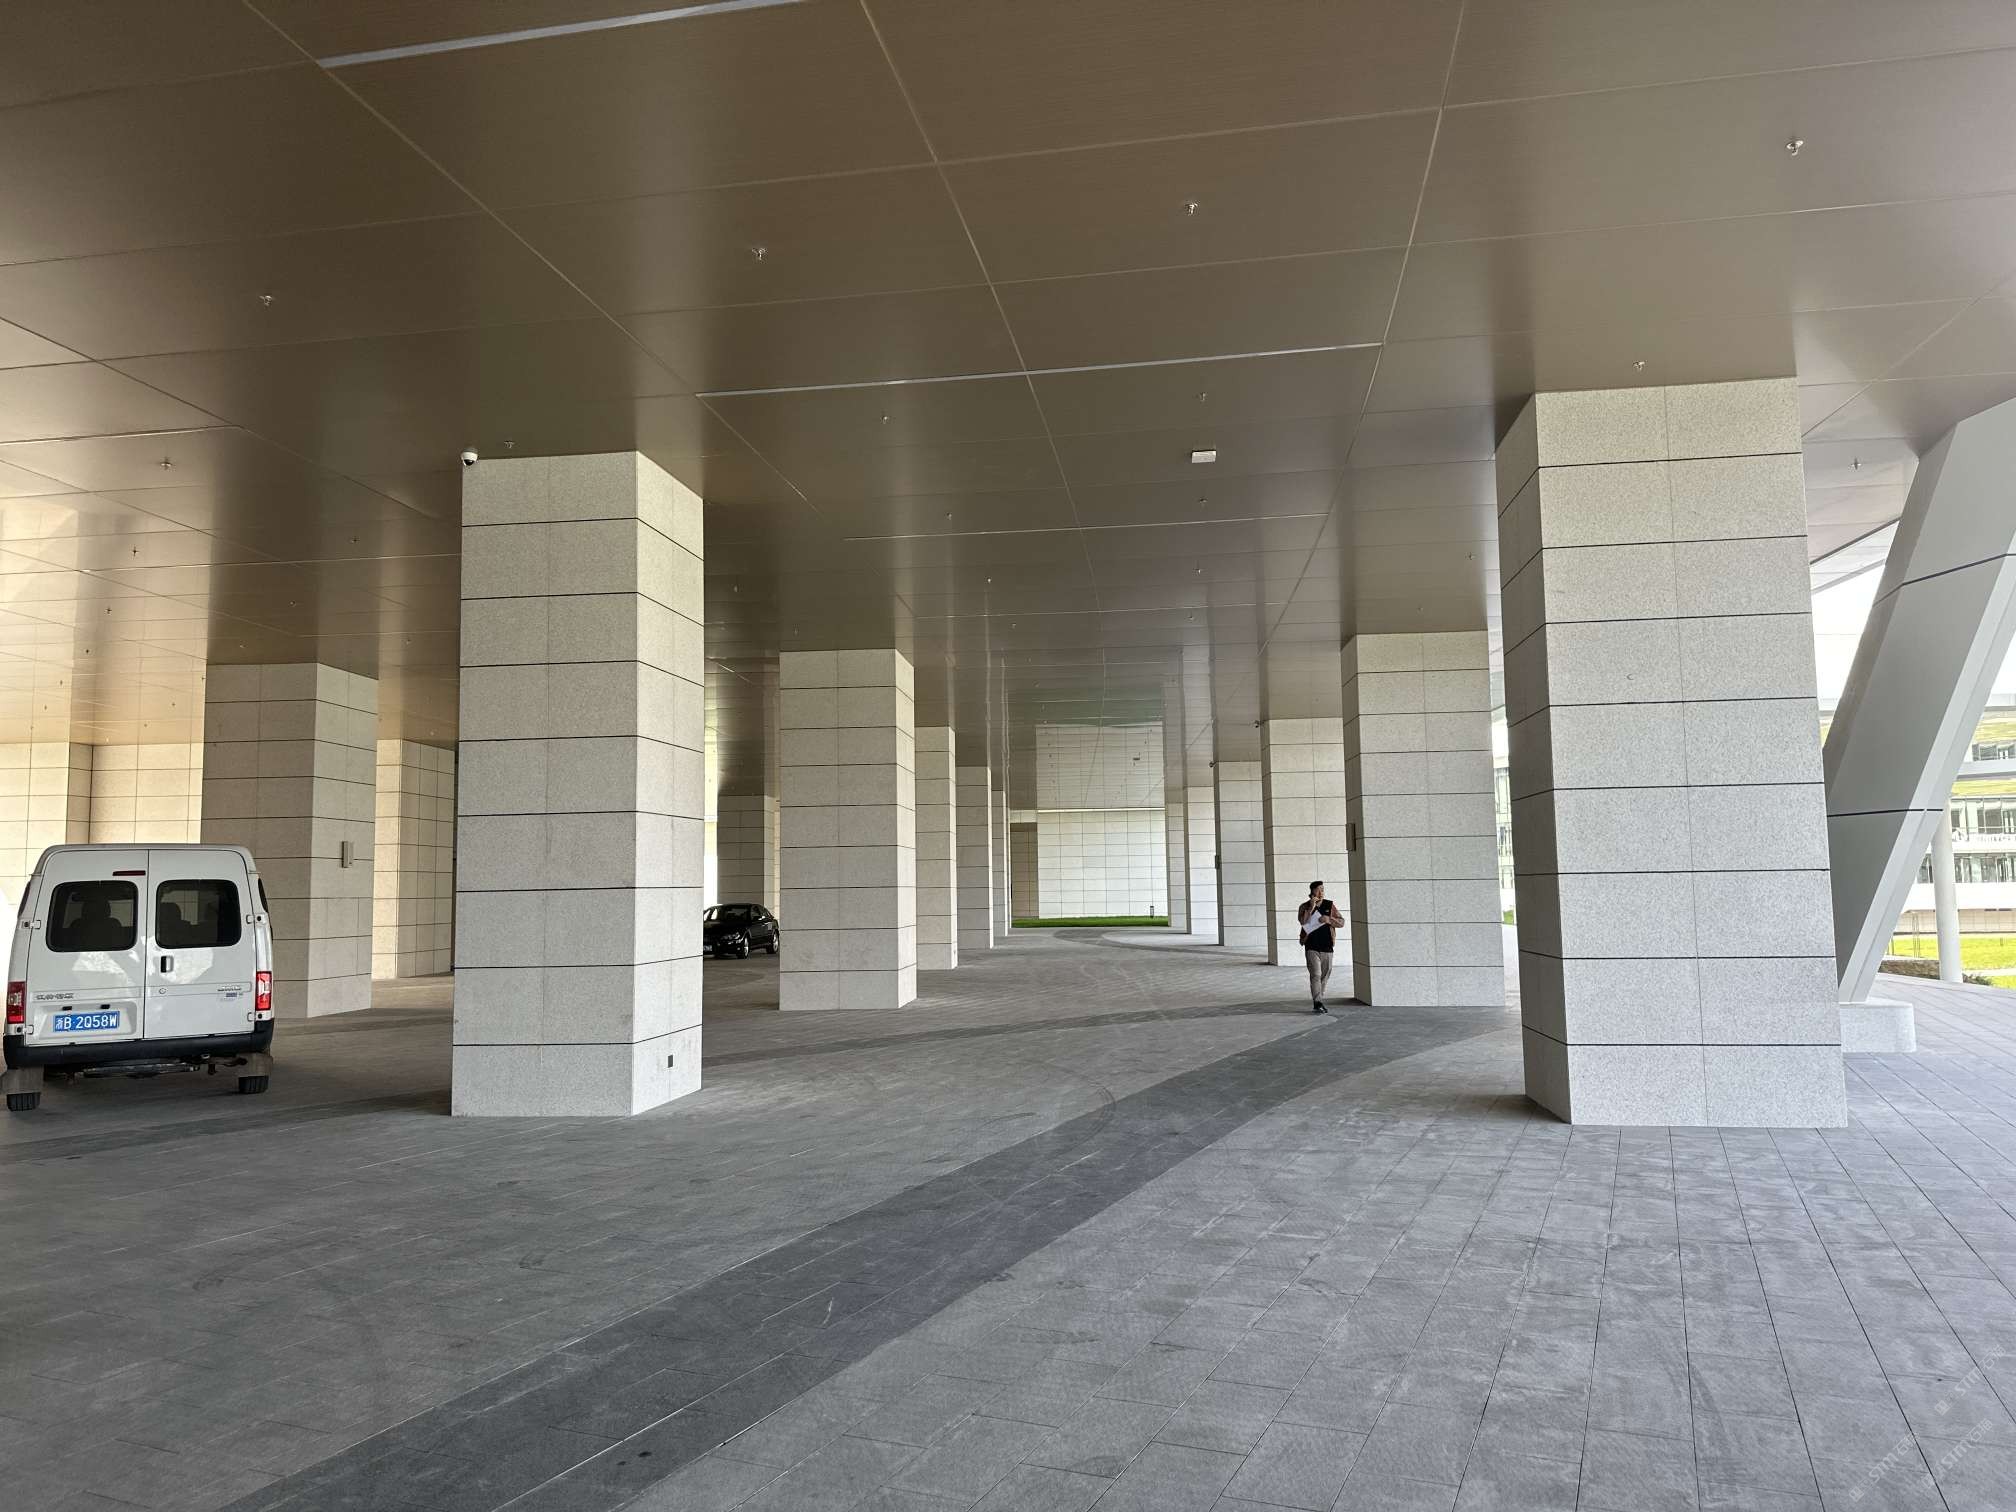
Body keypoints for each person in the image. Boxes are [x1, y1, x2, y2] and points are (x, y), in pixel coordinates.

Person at [1298, 880, 1339, 1014]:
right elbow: (1302, 921)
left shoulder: (1329, 905)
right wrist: (1311, 907)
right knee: (1316, 974)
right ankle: (1318, 1002)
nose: (1321, 892)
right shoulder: (1304, 906)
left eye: (1323, 889)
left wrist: (1329, 919)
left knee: (1325, 974)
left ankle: (1319, 998)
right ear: (1312, 891)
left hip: (1327, 946)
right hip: (1311, 946)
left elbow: (1341, 922)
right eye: (1319, 889)